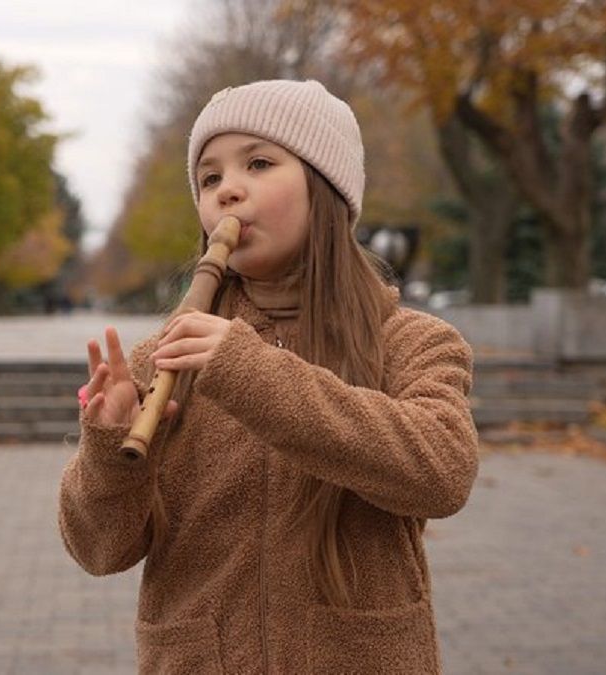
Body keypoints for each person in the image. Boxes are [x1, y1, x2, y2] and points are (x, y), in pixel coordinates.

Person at [58, 79, 479, 674]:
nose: (227, 190)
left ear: (324, 188)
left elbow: (443, 473)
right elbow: (99, 551)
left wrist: (249, 371)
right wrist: (106, 450)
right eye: (209, 178)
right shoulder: (169, 356)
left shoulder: (412, 342)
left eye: (258, 163)